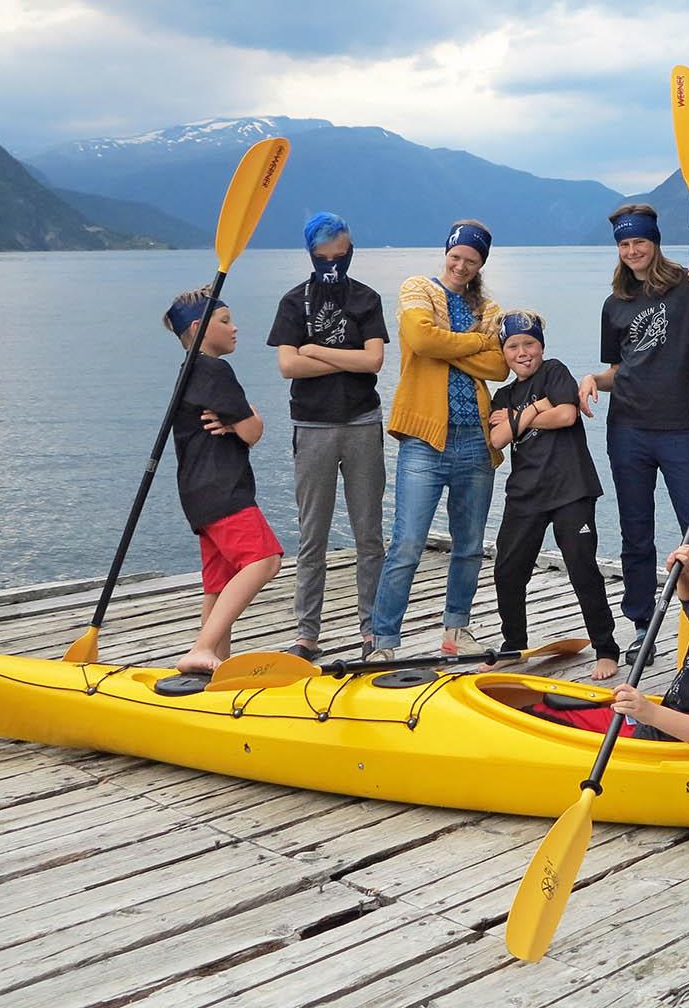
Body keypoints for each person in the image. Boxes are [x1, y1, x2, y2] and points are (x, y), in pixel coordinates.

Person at [578, 204, 689, 664]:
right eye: (624, 245)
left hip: (680, 429)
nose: (631, 251)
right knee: (635, 532)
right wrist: (592, 379)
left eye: (638, 242)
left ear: (655, 242)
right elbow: (618, 371)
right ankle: (642, 625)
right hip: (627, 429)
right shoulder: (615, 304)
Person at [364, 221, 507, 661]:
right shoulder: (417, 289)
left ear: (481, 262)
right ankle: (383, 640)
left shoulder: (489, 306)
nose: (462, 265)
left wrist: (461, 348)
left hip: (475, 439)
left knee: (468, 546)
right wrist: (474, 344)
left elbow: (500, 366)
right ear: (446, 253)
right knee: (407, 543)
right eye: (456, 256)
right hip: (425, 438)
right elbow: (422, 340)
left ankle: (456, 632)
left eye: (472, 259)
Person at [265, 212, 388, 661]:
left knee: (368, 533)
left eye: (343, 253)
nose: (335, 261)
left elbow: (373, 361)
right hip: (312, 425)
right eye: (325, 256)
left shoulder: (366, 298)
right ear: (311, 255)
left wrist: (315, 349)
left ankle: (373, 629)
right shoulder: (294, 302)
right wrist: (345, 357)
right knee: (311, 535)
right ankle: (306, 635)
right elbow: (287, 367)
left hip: (361, 421)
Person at [526, 544, 689, 757]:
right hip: (675, 717)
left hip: (664, 740)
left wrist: (650, 713)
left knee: (537, 717)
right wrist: (684, 573)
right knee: (549, 706)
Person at [486, 310, 620, 680]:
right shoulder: (503, 394)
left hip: (570, 489)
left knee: (582, 568)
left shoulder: (554, 371)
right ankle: (513, 646)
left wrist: (520, 416)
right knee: (507, 571)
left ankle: (606, 648)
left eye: (530, 344)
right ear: (505, 352)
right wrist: (535, 407)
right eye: (513, 346)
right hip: (525, 494)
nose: (523, 352)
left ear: (541, 348)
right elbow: (497, 439)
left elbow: (566, 417)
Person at [160, 288, 283, 674]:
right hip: (224, 488)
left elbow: (239, 426)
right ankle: (201, 648)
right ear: (199, 328)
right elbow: (251, 431)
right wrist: (250, 419)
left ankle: (214, 662)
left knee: (219, 581)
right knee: (265, 560)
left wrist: (239, 421)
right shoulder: (213, 369)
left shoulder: (188, 370)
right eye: (225, 321)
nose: (235, 328)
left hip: (197, 492)